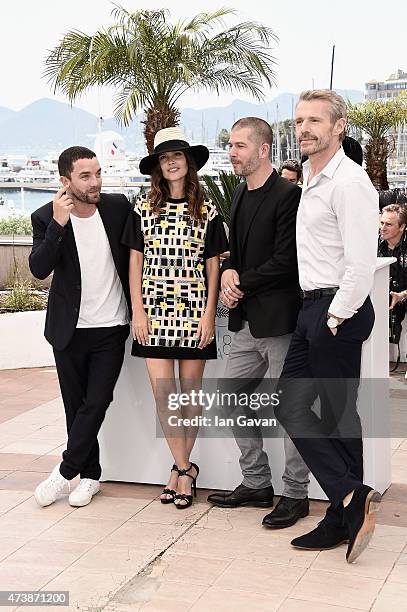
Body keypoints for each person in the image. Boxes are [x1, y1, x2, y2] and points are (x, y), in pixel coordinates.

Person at [274, 90, 381, 563]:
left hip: (337, 311)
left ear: (339, 126)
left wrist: (336, 316)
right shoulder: (313, 180)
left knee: (339, 415)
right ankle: (349, 499)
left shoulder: (350, 182)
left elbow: (360, 263)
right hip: (312, 308)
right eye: (299, 121)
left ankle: (343, 510)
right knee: (294, 407)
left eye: (315, 120)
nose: (304, 129)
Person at [207, 117, 311, 529]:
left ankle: (297, 494)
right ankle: (256, 482)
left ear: (263, 149)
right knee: (231, 396)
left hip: (281, 320)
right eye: (230, 145)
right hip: (247, 321)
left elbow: (288, 260)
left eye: (239, 145)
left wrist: (240, 283)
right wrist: (231, 270)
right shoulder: (239, 194)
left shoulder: (289, 195)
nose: (232, 152)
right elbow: (238, 250)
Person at [121, 127, 228, 509]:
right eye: (164, 158)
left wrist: (207, 317)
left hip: (194, 314)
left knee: (190, 395)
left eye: (177, 155)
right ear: (157, 167)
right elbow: (135, 261)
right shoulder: (142, 209)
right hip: (154, 315)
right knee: (165, 397)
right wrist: (138, 311)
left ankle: (180, 471)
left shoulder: (208, 211)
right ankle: (185, 469)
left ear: (189, 162)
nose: (171, 162)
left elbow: (214, 268)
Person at [29, 146, 131, 508]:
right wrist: (58, 223)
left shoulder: (118, 207)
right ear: (65, 181)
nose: (95, 182)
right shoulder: (45, 217)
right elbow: (39, 268)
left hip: (111, 327)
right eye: (85, 176)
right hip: (69, 330)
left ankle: (65, 471)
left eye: (98, 173)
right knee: (76, 407)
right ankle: (90, 476)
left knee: (97, 401)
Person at [378, 204, 407, 345]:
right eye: (382, 223)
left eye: (388, 224)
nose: (382, 228)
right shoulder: (373, 244)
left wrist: (403, 294)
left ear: (402, 227)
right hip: (381, 297)